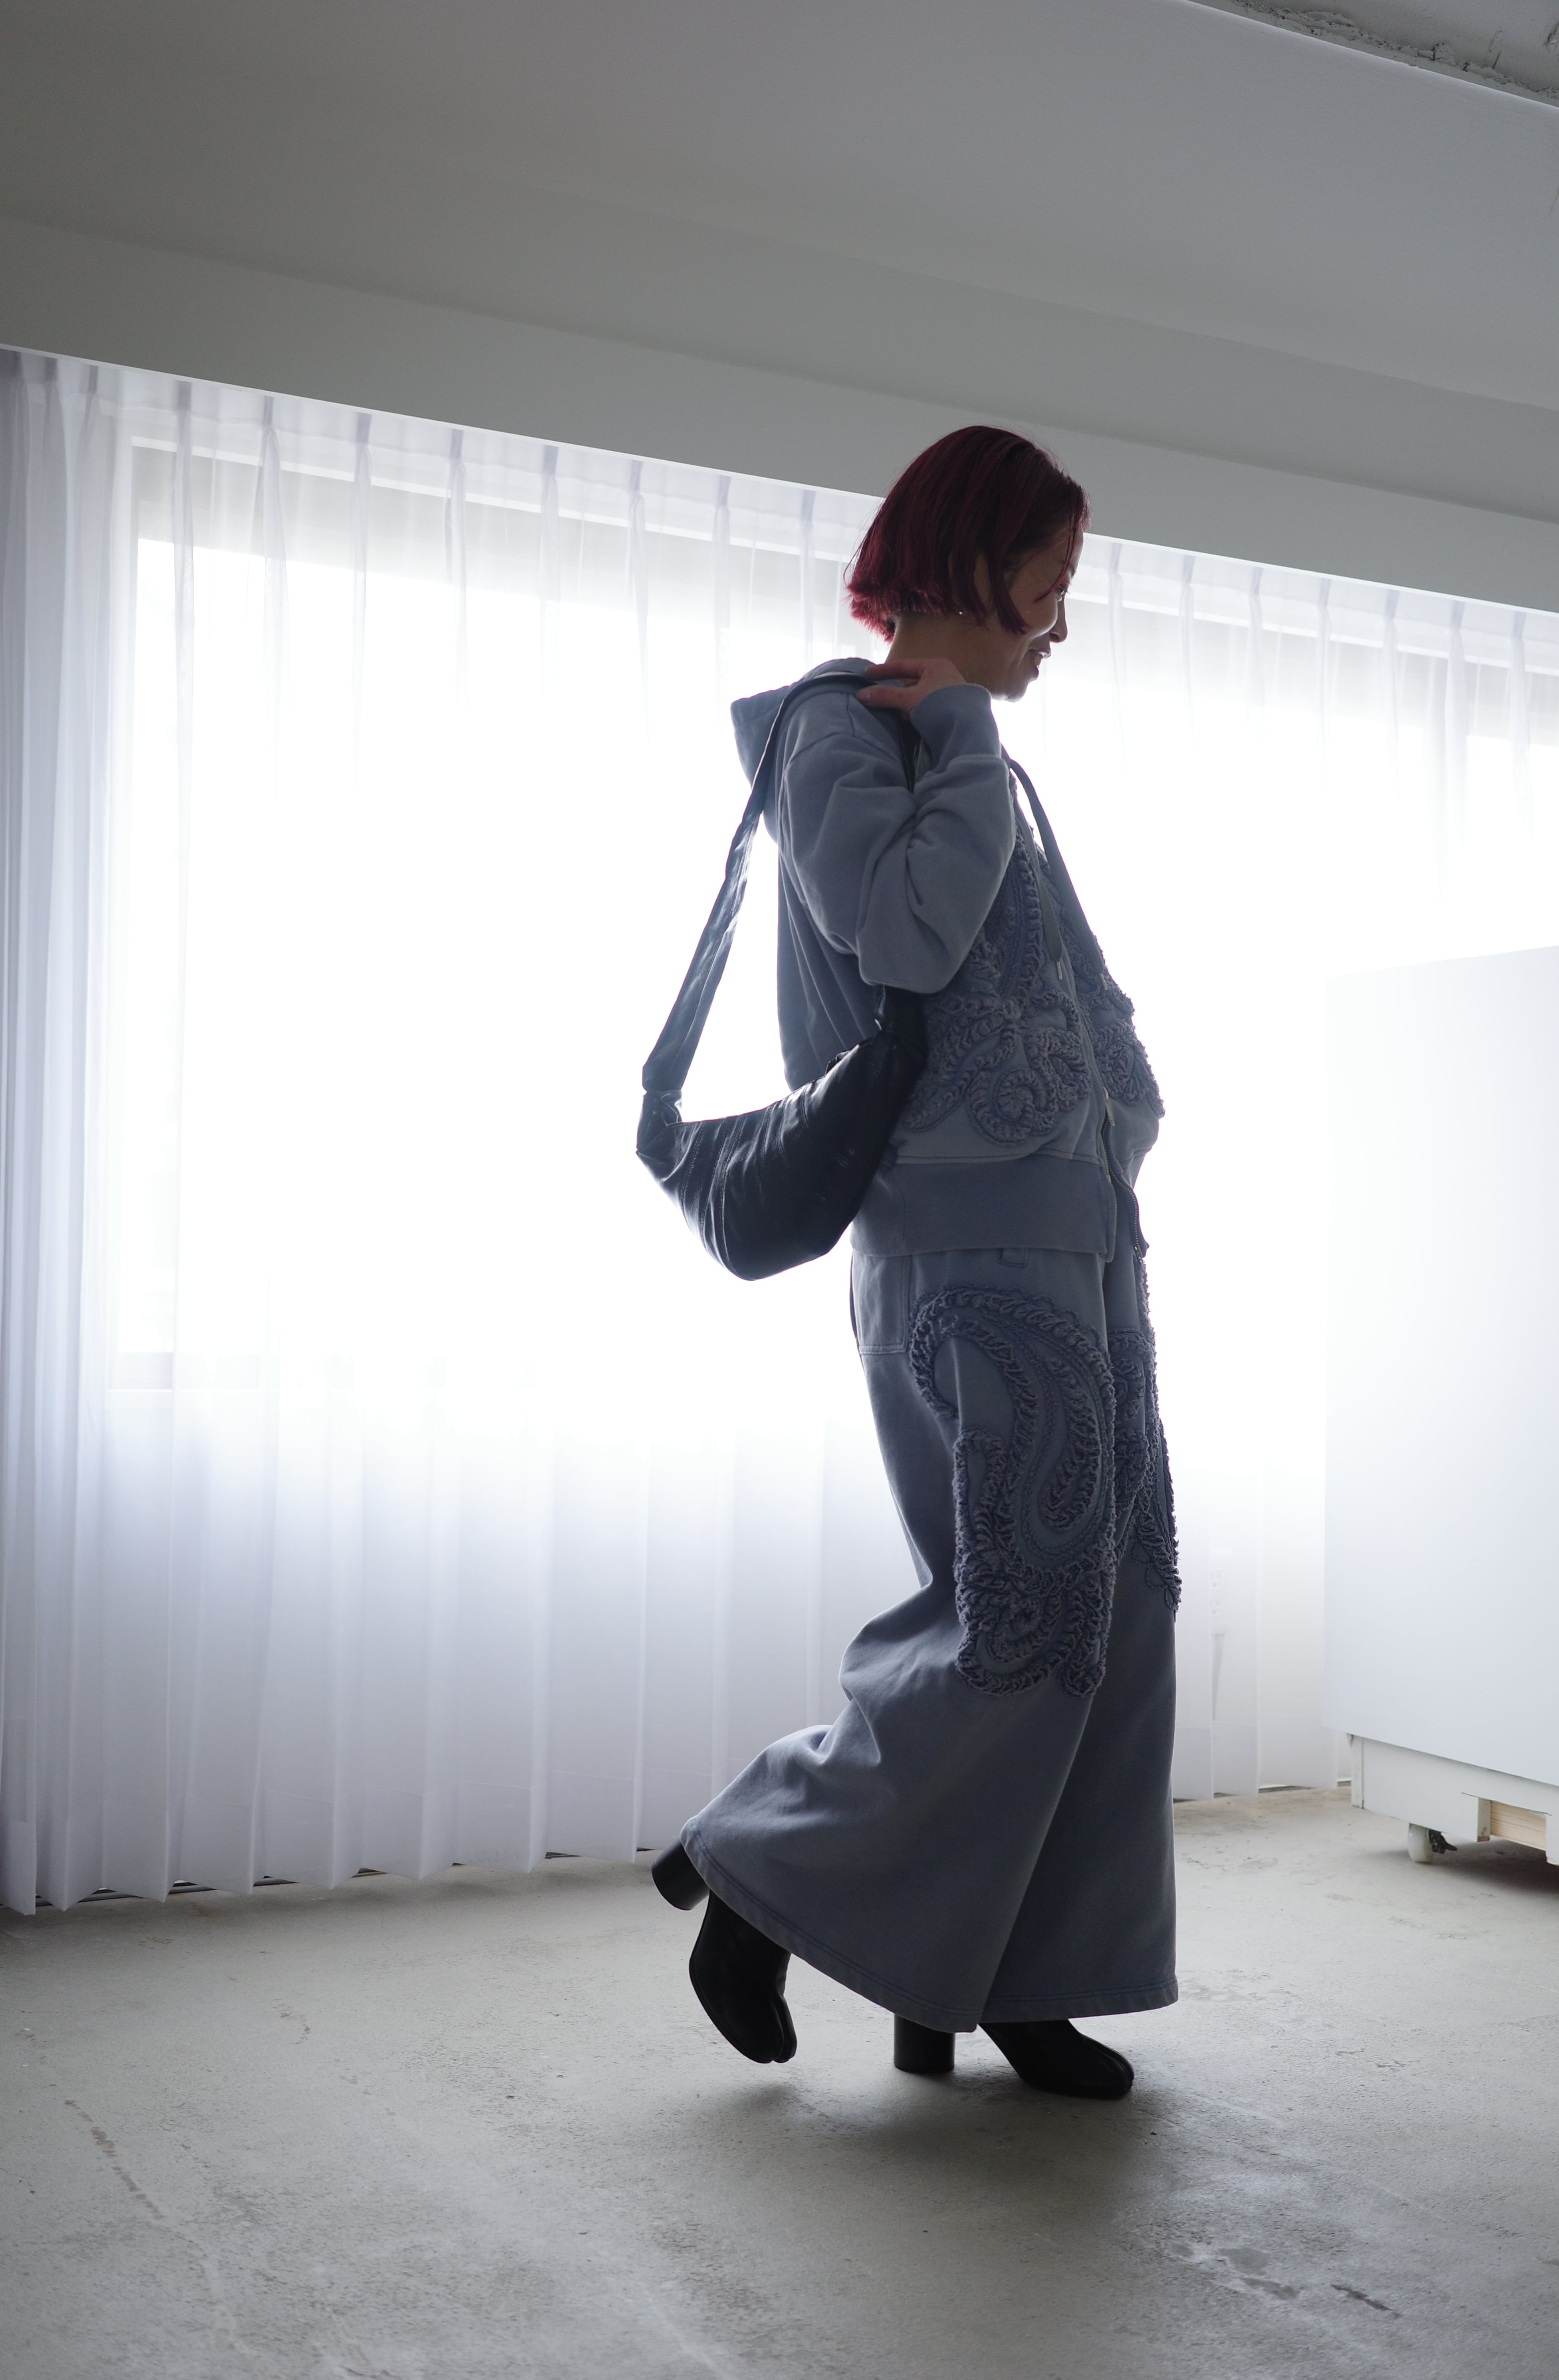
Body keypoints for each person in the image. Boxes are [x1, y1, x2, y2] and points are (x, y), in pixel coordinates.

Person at [653, 425, 1179, 2100]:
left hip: (1080, 1237)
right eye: (1052, 579)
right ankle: (760, 1863)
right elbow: (904, 932)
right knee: (1023, 1620)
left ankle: (1018, 1970)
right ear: (972, 559)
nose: (1063, 621)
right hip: (962, 1252)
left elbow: (1048, 986)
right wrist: (953, 723)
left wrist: (1123, 1113)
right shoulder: (844, 730)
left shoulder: (970, 757)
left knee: (1124, 1607)